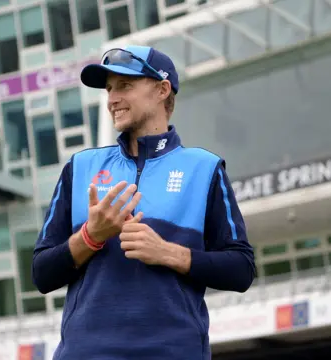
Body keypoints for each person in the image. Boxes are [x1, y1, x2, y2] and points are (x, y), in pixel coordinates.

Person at [33, 45, 256, 360]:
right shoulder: (80, 168)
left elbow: (241, 270)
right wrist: (90, 237)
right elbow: (42, 274)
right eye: (109, 89)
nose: (112, 99)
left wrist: (167, 253)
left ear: (162, 90)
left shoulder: (204, 169)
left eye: (125, 85)